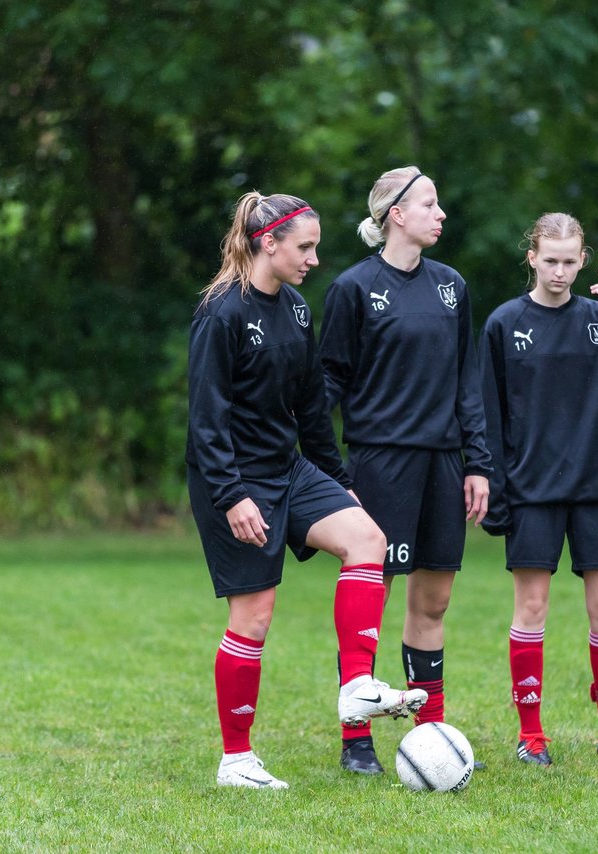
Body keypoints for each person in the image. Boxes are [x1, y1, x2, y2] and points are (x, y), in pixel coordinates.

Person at [187, 191, 427, 790]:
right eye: (305, 247)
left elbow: (310, 407)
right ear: (267, 244)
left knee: (367, 537)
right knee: (254, 618)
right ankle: (236, 760)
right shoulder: (221, 313)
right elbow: (206, 418)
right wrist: (231, 495)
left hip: (289, 469)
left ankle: (355, 689)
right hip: (237, 479)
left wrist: (340, 482)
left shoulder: (294, 308)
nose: (314, 259)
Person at [319, 166, 493, 775]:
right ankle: (355, 736)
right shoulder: (354, 288)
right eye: (428, 203)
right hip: (380, 463)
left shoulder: (452, 287)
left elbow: (467, 383)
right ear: (396, 213)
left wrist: (478, 462)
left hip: (444, 464)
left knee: (435, 600)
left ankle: (430, 728)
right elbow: (327, 385)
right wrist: (330, 470)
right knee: (373, 597)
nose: (440, 213)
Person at [479, 212, 598, 766]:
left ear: (583, 260)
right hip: (532, 489)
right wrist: (495, 489)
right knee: (531, 606)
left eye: (570, 261)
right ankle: (531, 735)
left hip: (596, 487)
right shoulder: (505, 323)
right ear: (531, 257)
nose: (560, 271)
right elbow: (487, 415)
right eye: (550, 260)